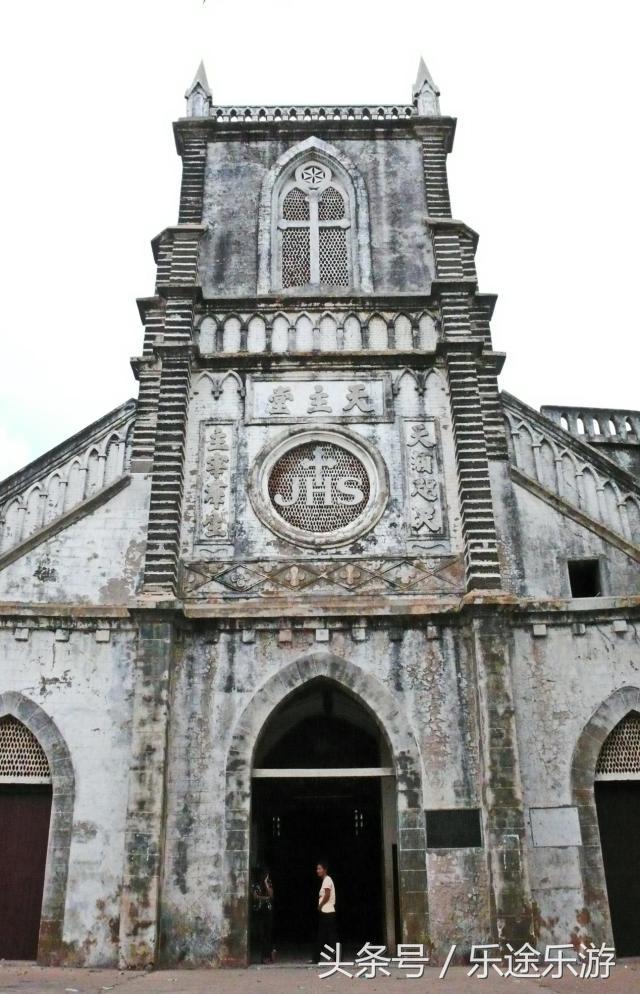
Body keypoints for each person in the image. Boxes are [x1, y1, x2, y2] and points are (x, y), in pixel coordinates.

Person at [314, 860, 337, 963]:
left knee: (328, 936)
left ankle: (317, 958)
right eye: (317, 869)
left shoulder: (327, 880)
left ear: (325, 870)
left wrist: (320, 905)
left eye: (319, 868)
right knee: (324, 936)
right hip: (327, 911)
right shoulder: (325, 880)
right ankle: (316, 958)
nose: (317, 871)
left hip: (327, 911)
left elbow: (327, 895)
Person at [251, 866, 275, 964]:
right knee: (261, 935)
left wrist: (265, 883)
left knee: (268, 934)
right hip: (258, 911)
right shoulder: (255, 884)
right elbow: (255, 897)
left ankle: (268, 957)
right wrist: (265, 898)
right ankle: (265, 956)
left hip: (268, 911)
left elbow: (271, 895)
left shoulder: (268, 883)